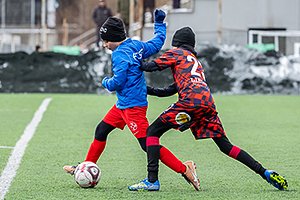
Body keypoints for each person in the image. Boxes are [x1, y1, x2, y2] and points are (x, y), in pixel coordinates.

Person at [128, 27, 288, 191]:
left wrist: (131, 58)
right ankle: (264, 172)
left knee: (152, 132)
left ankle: (152, 180)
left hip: (190, 102)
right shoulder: (195, 63)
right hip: (207, 104)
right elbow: (167, 91)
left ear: (177, 44)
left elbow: (149, 66)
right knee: (226, 146)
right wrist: (145, 89)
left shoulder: (177, 53)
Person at [63, 11, 198, 191]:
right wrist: (159, 23)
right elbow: (157, 43)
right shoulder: (136, 45)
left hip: (133, 107)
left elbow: (117, 82)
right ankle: (86, 166)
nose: (104, 44)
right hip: (123, 104)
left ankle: (184, 169)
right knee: (101, 130)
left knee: (148, 144)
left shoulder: (119, 55)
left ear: (114, 38)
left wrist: (105, 82)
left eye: (106, 41)